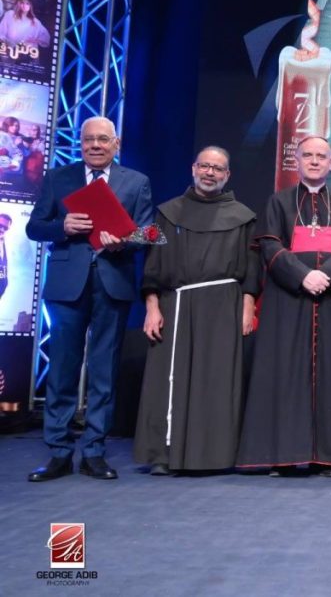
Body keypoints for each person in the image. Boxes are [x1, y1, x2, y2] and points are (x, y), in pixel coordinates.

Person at [26, 116, 154, 481]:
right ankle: (59, 452)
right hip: (67, 284)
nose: (95, 145)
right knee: (62, 369)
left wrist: (124, 241)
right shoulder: (58, 178)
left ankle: (94, 451)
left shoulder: (136, 182)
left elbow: (150, 233)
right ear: (80, 144)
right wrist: (62, 227)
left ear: (116, 143)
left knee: (103, 370)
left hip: (113, 282)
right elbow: (34, 227)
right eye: (88, 140)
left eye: (102, 139)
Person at [236, 136, 331, 477]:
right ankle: (284, 455)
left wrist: (326, 276)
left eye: (321, 156)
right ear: (296, 161)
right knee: (285, 374)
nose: (314, 161)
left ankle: (327, 457)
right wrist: (303, 276)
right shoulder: (278, 202)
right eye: (307, 155)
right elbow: (269, 246)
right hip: (288, 298)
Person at [133, 147, 260, 475]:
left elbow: (252, 267)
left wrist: (248, 307)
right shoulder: (167, 213)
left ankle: (214, 456)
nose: (210, 173)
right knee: (168, 380)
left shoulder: (244, 216)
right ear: (193, 169)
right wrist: (151, 307)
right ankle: (164, 455)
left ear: (227, 175)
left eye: (217, 168)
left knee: (216, 380)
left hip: (224, 306)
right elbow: (152, 264)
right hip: (175, 304)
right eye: (205, 166)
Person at [0, 213, 10, 302]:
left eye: (5, 228)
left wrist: (5, 282)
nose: (2, 229)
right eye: (0, 226)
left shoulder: (3, 243)